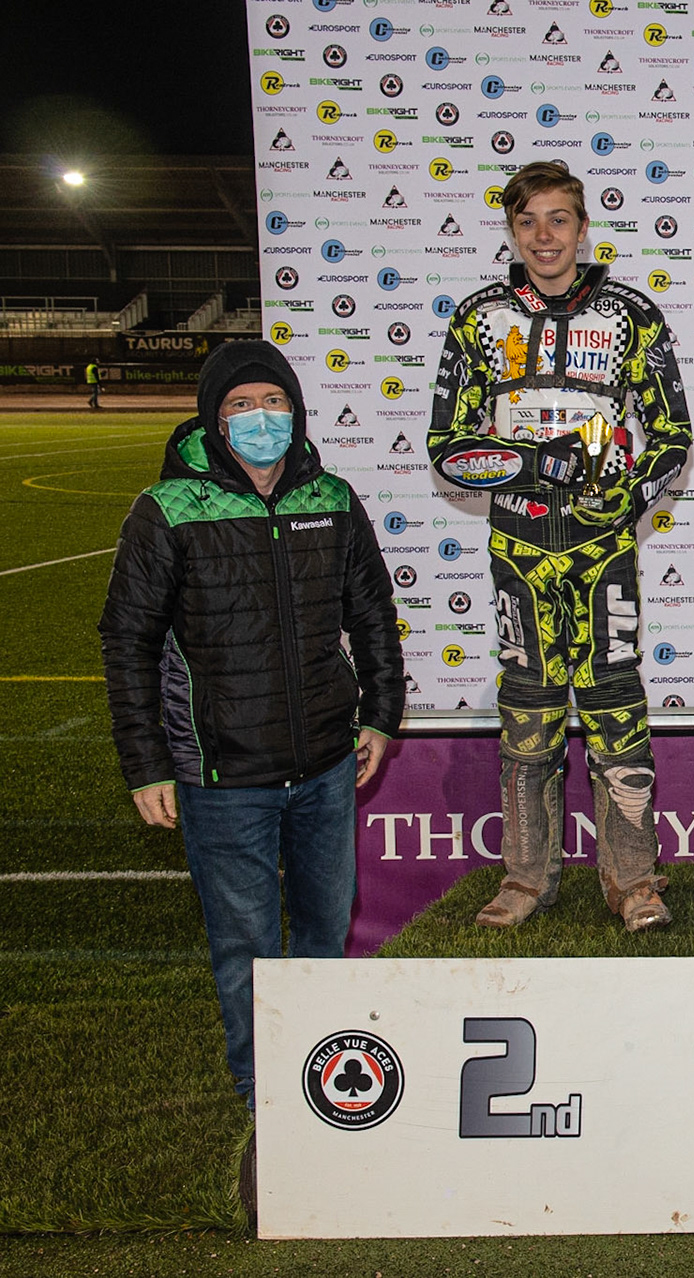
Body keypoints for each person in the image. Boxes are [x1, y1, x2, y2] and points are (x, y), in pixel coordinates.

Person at [99, 340, 404, 1106]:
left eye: (272, 403)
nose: (258, 418)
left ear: (295, 413)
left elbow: (371, 615)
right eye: (239, 406)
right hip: (223, 775)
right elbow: (127, 641)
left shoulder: (330, 497)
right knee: (246, 946)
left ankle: (324, 1076)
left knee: (324, 933)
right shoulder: (167, 509)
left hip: (329, 765)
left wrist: (381, 715)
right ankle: (260, 1085)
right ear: (212, 418)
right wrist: (147, 763)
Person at [429, 159, 690, 929]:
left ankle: (634, 881)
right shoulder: (478, 318)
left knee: (616, 708)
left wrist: (626, 500)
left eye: (559, 219)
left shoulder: (632, 315)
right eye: (528, 221)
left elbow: (672, 434)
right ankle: (525, 879)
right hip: (518, 549)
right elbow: (447, 446)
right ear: (512, 231)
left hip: (603, 550)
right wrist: (536, 464)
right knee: (529, 713)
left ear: (582, 226)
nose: (544, 236)